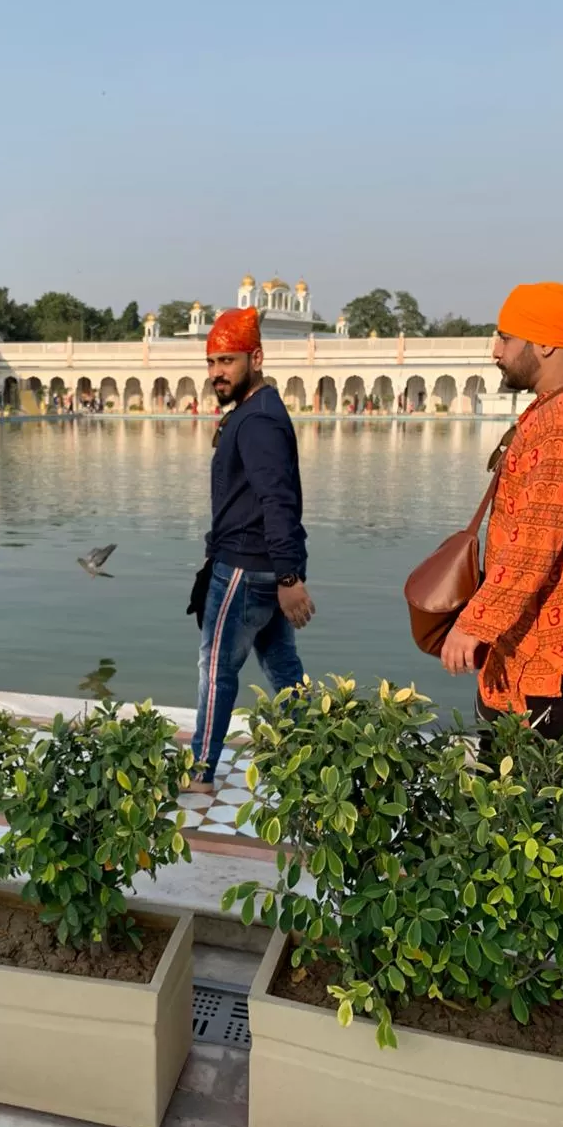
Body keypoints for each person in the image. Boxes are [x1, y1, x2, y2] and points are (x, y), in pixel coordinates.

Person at [442, 282, 563, 738]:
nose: (495, 351)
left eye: (506, 337)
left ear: (545, 342)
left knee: (520, 803)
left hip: (546, 664)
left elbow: (535, 544)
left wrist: (473, 624)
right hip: (552, 649)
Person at [188, 307, 314, 792]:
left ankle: (200, 771)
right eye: (212, 362)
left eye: (228, 361)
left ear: (255, 358)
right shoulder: (254, 411)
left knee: (216, 667)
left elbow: (277, 500)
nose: (217, 372)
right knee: (284, 669)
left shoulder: (258, 420)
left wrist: (288, 578)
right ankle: (320, 751)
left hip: (246, 569)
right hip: (260, 566)